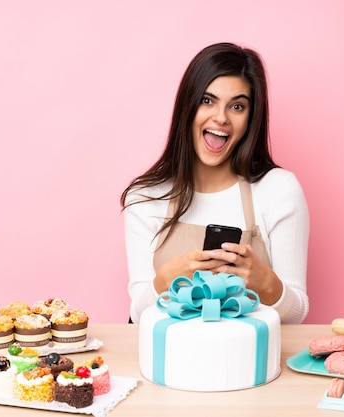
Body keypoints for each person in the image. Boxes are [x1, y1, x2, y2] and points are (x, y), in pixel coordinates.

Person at [121, 42, 309, 324]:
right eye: (207, 100)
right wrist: (165, 281)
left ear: (251, 117)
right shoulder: (146, 196)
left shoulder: (279, 189)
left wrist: (266, 283)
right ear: (188, 106)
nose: (221, 117)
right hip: (169, 362)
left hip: (251, 361)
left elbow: (297, 316)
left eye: (237, 106)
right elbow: (138, 315)